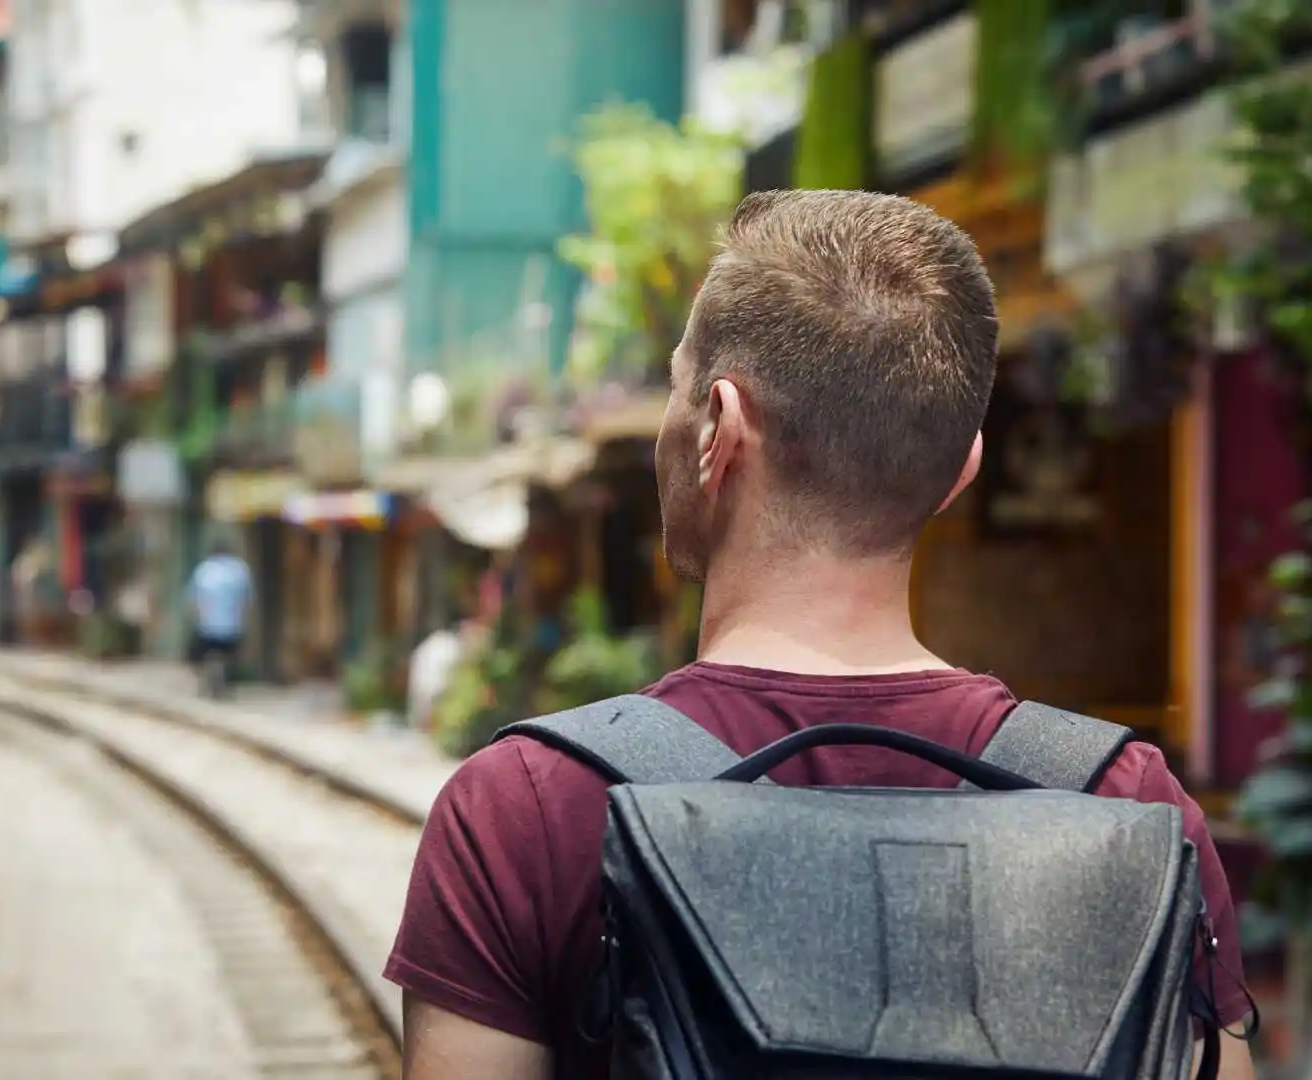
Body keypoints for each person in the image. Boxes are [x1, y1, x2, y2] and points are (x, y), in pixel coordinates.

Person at [384, 190, 1257, 1080]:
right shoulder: (1131, 803)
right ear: (963, 470)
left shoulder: (527, 805)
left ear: (718, 427)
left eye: (677, 388)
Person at [186, 537, 253, 686]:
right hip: (232, 626)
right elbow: (246, 600)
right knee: (231, 655)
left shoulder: (204, 570)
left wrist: (197, 618)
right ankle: (227, 678)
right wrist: (243, 620)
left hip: (208, 626)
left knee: (197, 655)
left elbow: (195, 599)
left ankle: (208, 678)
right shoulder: (240, 570)